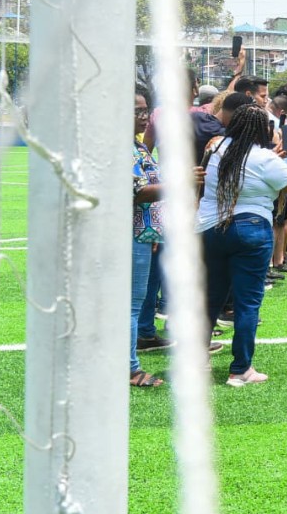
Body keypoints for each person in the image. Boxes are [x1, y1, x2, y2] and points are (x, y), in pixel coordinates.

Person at [196, 104, 287, 387]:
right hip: (251, 230)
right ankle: (240, 369)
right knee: (248, 304)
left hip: (211, 229)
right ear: (264, 130)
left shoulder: (217, 147)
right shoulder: (263, 157)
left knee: (210, 300)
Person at [131, 89, 169, 388]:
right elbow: (138, 192)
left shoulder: (138, 146)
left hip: (141, 234)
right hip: (128, 235)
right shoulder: (124, 148)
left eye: (145, 110)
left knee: (134, 302)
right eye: (136, 110)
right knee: (131, 304)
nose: (144, 116)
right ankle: (129, 368)